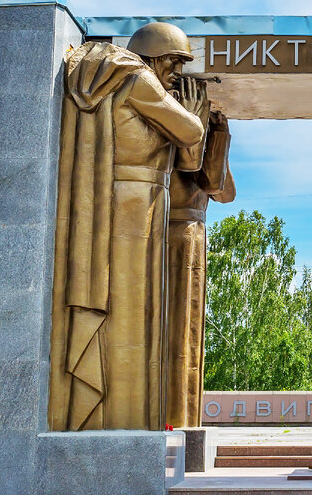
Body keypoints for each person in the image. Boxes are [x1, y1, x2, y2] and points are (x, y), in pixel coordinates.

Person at [48, 23, 206, 431]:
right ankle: (122, 419)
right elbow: (190, 131)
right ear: (154, 53)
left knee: (135, 312)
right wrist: (192, 112)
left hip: (126, 201)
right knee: (134, 310)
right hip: (134, 204)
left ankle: (120, 417)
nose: (177, 71)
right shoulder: (137, 77)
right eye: (174, 60)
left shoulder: (110, 77)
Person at [165, 106, 236, 429]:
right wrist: (219, 135)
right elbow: (209, 180)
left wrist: (216, 141)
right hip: (178, 234)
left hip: (188, 231)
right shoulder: (183, 137)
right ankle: (172, 419)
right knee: (176, 334)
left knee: (186, 337)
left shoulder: (200, 144)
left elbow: (225, 192)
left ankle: (178, 420)